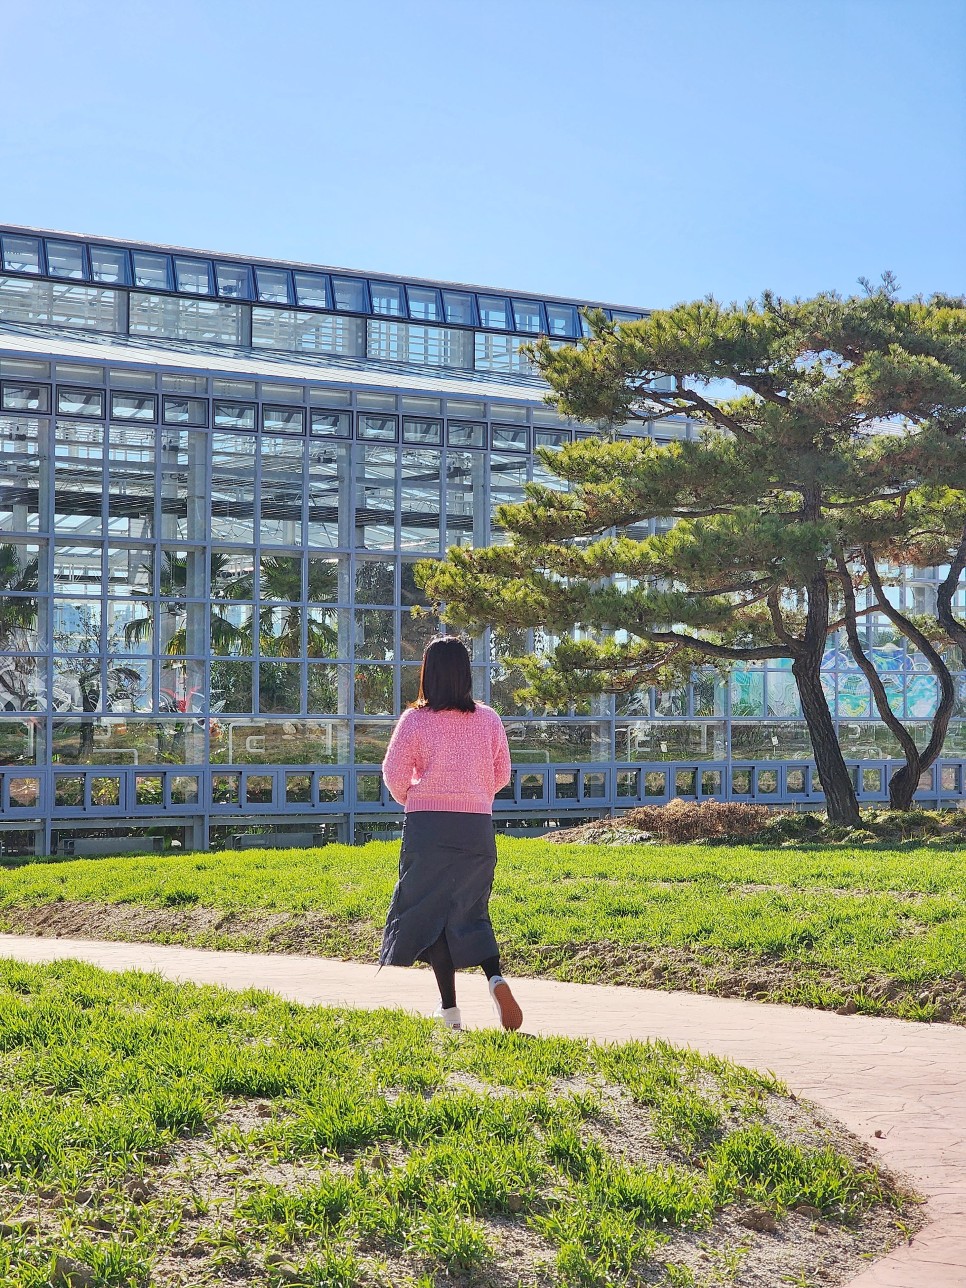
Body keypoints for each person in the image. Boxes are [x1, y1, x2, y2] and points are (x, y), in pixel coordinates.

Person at [379, 635, 522, 1032]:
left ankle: (451, 1014)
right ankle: (495, 979)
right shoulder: (489, 718)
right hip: (475, 827)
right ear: (465, 674)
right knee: (472, 911)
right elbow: (501, 775)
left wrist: (416, 796)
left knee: (428, 916)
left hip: (428, 826)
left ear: (428, 673)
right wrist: (473, 795)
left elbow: (392, 774)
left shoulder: (415, 720)